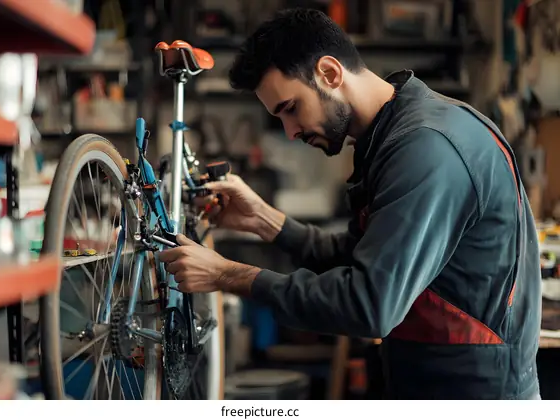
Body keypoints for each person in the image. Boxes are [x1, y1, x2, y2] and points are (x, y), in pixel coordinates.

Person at [158, 8, 542, 399]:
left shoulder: (428, 147)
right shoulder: (389, 136)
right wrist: (264, 221)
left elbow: (369, 305)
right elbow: (361, 257)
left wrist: (227, 275)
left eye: (290, 109)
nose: (290, 132)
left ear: (329, 73)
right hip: (429, 379)